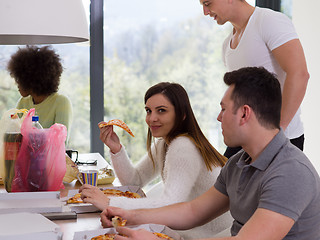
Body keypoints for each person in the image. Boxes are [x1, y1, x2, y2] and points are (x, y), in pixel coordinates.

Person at [99, 67, 320, 240]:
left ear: (244, 114)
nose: (218, 117)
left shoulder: (291, 172)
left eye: (223, 109)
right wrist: (129, 214)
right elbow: (193, 211)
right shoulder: (237, 163)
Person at [80, 82, 233, 238]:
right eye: (148, 111)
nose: (152, 118)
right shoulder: (165, 143)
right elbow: (134, 181)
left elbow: (171, 203)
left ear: (182, 114)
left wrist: (110, 202)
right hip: (182, 229)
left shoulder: (183, 146)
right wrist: (116, 149)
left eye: (161, 111)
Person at [200, 0, 309, 157]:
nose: (205, 11)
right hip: (245, 140)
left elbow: (299, 74)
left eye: (208, 3)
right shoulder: (227, 45)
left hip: (282, 139)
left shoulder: (268, 21)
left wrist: (277, 132)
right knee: (221, 178)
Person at [7, 45, 73, 141]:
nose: (17, 83)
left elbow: (60, 142)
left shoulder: (61, 102)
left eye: (19, 78)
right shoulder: (22, 102)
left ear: (32, 79)